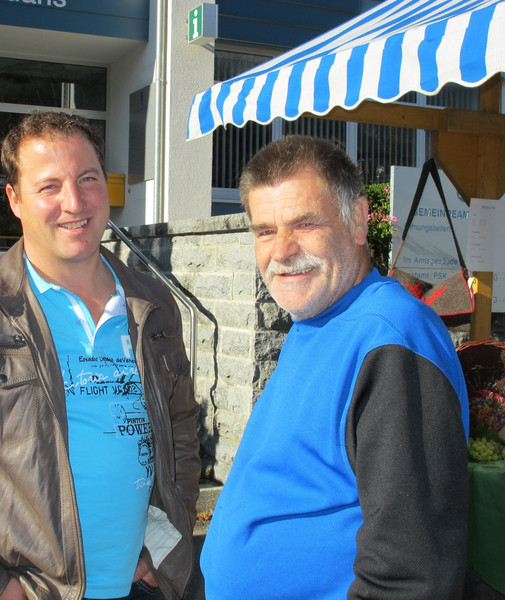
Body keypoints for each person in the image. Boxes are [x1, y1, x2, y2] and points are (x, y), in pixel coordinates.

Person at [0, 112, 200, 600]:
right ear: (15, 199)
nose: (74, 202)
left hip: (144, 585)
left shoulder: (153, 304)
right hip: (33, 590)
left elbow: (180, 427)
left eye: (87, 179)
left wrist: (163, 545)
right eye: (49, 186)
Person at [200, 136, 469, 599]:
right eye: (264, 231)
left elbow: (412, 572)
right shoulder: (318, 320)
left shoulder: (390, 338)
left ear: (358, 220)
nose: (281, 250)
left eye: (304, 224)